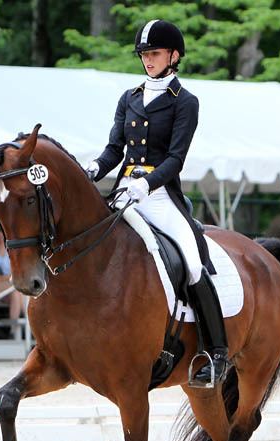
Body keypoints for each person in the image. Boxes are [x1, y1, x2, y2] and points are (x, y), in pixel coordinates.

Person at [84, 19, 228, 385]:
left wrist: (146, 185)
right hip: (124, 191)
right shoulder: (129, 98)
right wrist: (94, 168)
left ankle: (216, 354)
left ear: (173, 55)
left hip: (160, 195)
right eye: (145, 54)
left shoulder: (186, 102)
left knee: (194, 263)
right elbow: (115, 148)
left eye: (155, 53)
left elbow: (175, 159)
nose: (148, 60)